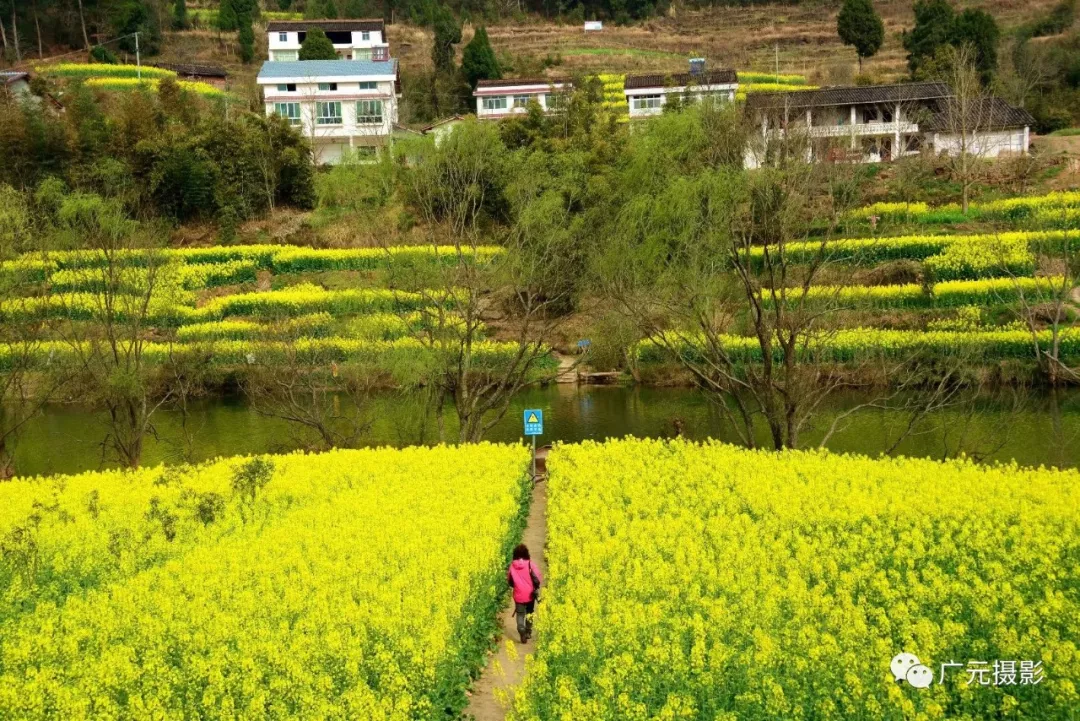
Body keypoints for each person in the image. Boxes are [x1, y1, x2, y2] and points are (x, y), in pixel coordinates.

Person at [507, 543, 542, 643]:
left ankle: (521, 628)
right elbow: (537, 577)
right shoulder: (530, 564)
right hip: (530, 594)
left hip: (518, 595)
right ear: (527, 554)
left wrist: (517, 586)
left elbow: (510, 580)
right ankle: (528, 632)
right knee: (530, 613)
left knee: (520, 614)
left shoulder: (512, 566)